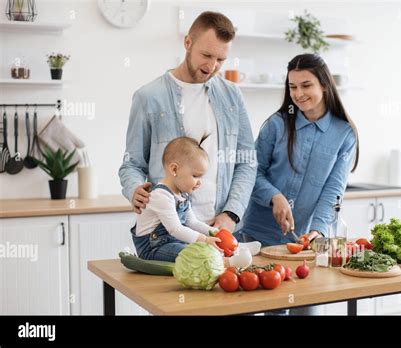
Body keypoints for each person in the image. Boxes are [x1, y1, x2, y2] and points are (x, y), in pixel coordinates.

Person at [118, 11, 256, 238]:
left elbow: (247, 162)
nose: (212, 66)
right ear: (188, 42)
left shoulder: (232, 96)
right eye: (206, 55)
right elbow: (132, 164)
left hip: (220, 231)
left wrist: (231, 214)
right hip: (166, 233)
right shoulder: (148, 97)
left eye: (220, 60)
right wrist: (133, 188)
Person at [239, 53, 359, 247]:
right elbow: (251, 170)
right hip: (255, 234)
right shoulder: (276, 125)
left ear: (324, 85)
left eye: (306, 85)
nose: (298, 93)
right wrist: (275, 197)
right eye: (292, 87)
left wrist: (317, 230)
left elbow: (333, 189)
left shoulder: (344, 134)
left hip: (303, 237)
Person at [131, 136, 259, 268]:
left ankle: (235, 247)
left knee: (194, 246)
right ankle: (229, 262)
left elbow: (192, 222)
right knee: (193, 253)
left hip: (170, 243)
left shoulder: (181, 195)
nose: (200, 182)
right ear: (174, 169)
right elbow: (176, 229)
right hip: (152, 249)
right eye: (196, 176)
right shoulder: (161, 196)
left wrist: (213, 232)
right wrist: (204, 239)